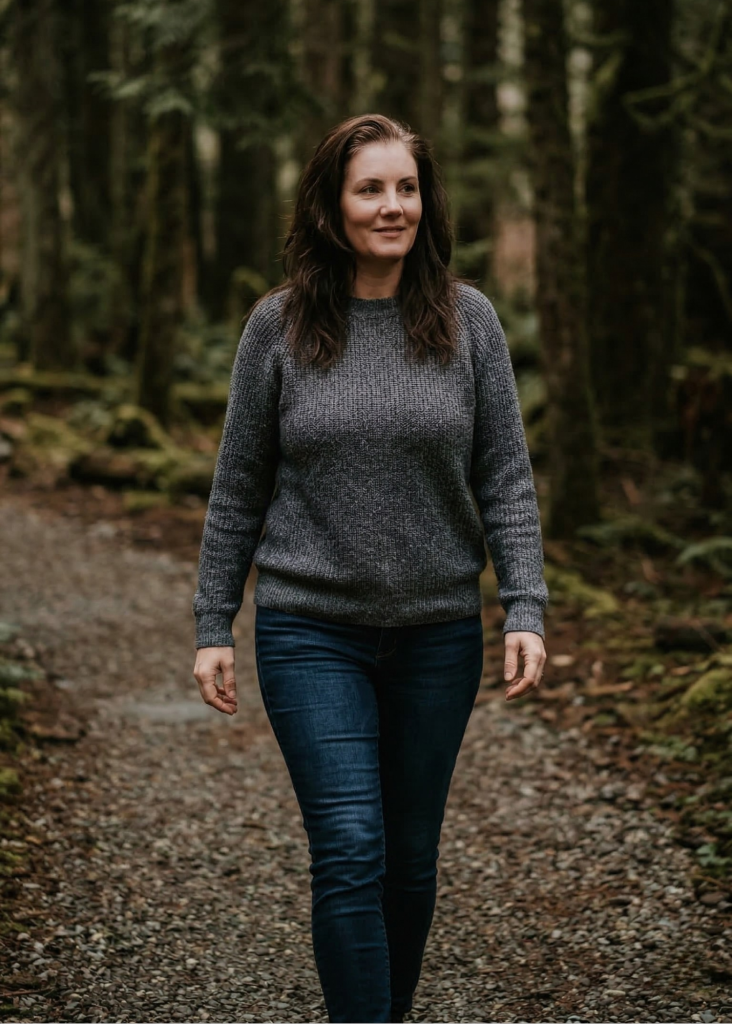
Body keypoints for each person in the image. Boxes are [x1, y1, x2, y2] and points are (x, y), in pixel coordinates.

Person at [192, 112, 549, 1024]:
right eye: (370, 189)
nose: (393, 206)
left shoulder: (469, 322)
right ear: (331, 206)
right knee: (350, 846)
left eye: (406, 188)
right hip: (311, 630)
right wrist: (212, 627)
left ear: (426, 203)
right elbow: (238, 487)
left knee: (410, 858)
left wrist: (526, 608)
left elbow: (505, 474)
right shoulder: (278, 327)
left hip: (436, 635)